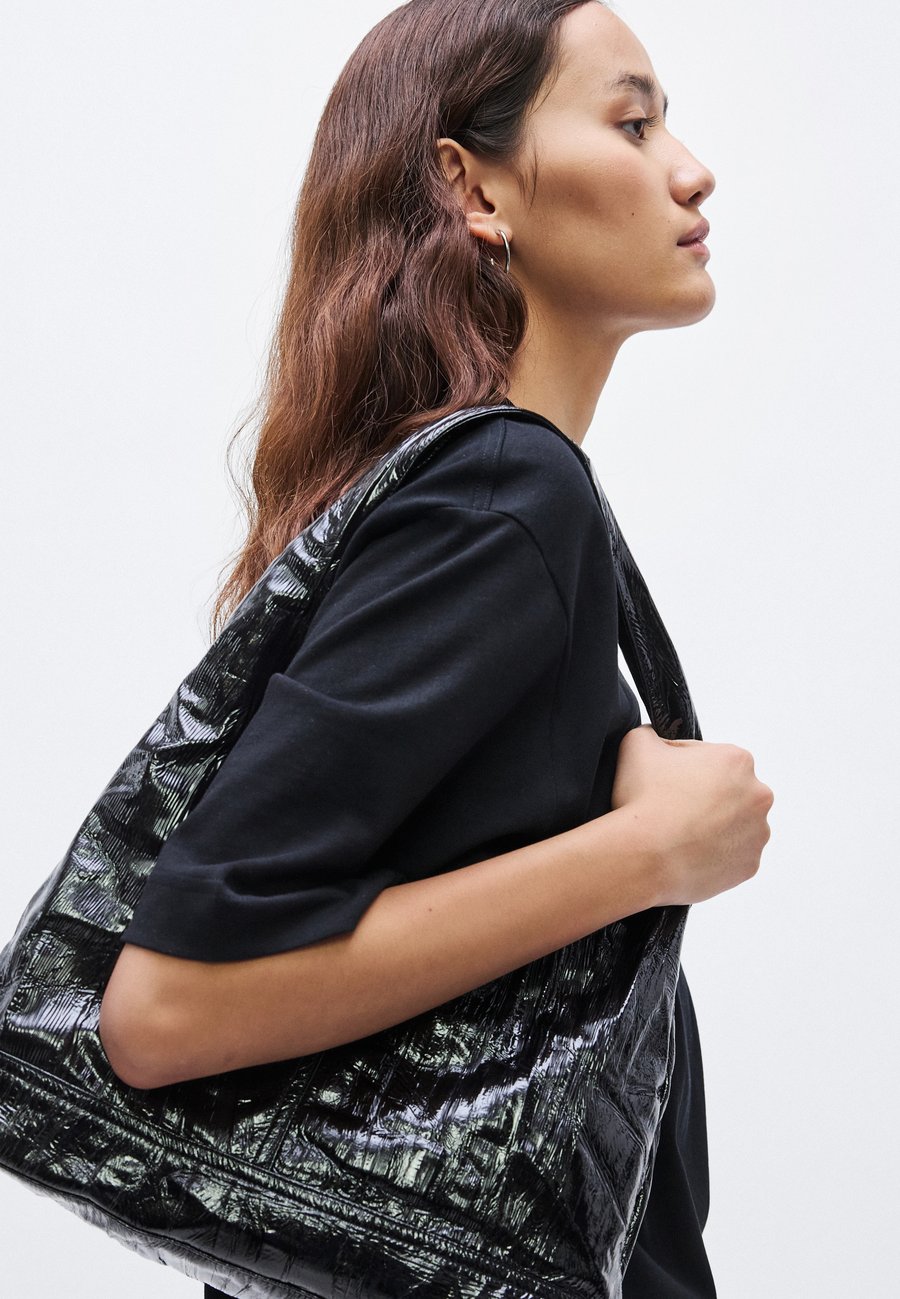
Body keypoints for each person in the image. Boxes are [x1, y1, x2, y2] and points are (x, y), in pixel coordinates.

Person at [98, 2, 774, 1296]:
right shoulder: (503, 494)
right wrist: (647, 853)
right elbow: (167, 1006)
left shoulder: (462, 497)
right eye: (633, 124)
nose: (691, 170)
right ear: (474, 189)